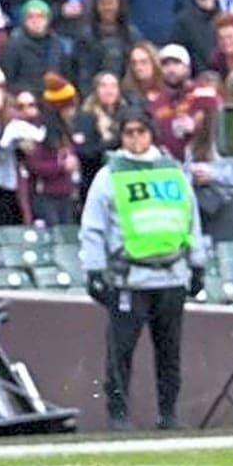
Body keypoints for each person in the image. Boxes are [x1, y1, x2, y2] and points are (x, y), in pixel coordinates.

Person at [81, 107, 206, 432]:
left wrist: (198, 263)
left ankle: (169, 414)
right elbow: (93, 226)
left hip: (171, 273)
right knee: (120, 352)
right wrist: (94, 269)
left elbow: (190, 218)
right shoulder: (109, 175)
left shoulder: (173, 172)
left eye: (141, 132)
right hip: (130, 277)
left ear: (151, 134)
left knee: (170, 353)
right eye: (129, 133)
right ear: (121, 136)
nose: (136, 139)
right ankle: (118, 415)